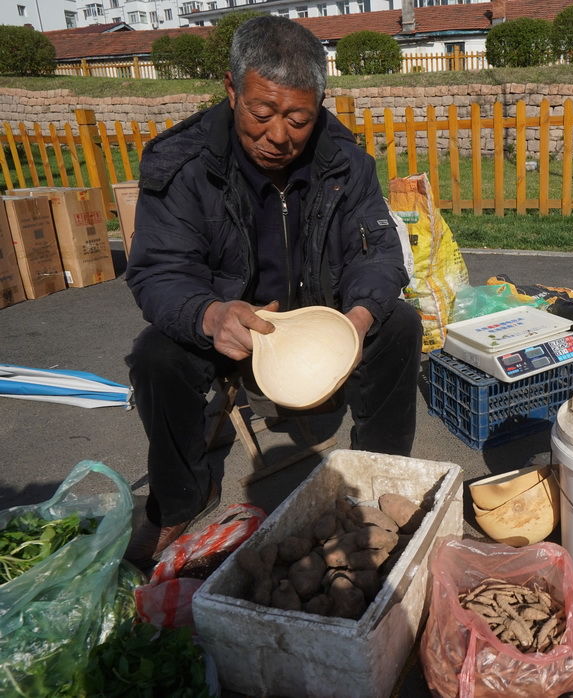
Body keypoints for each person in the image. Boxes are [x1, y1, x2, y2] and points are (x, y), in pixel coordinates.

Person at [123, 16, 421, 567]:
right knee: (156, 354)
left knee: (398, 324)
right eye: (261, 113)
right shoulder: (182, 164)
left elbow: (378, 252)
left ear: (320, 105)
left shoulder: (345, 161)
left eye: (298, 118)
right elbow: (159, 270)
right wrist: (209, 315)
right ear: (232, 90)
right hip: (231, 324)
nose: (278, 136)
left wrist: (355, 318)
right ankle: (181, 500)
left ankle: (381, 481)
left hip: (320, 317)